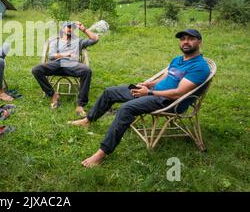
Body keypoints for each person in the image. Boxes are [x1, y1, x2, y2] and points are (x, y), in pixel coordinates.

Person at [69, 29, 211, 168]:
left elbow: (178, 93)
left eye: (190, 39)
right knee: (109, 92)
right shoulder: (178, 59)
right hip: (153, 92)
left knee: (126, 109)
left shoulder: (199, 67)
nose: (186, 42)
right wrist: (149, 84)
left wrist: (149, 93)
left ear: (199, 42)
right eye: (183, 39)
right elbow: (168, 76)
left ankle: (101, 153)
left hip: (169, 102)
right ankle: (88, 120)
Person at [32, 21, 99, 117]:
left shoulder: (78, 41)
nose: (70, 29)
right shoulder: (56, 41)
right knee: (36, 70)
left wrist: (83, 29)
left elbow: (95, 39)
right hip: (56, 64)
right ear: (62, 29)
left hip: (72, 65)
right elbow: (51, 56)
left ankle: (80, 105)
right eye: (68, 27)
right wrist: (65, 54)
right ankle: (53, 95)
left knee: (87, 71)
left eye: (72, 27)